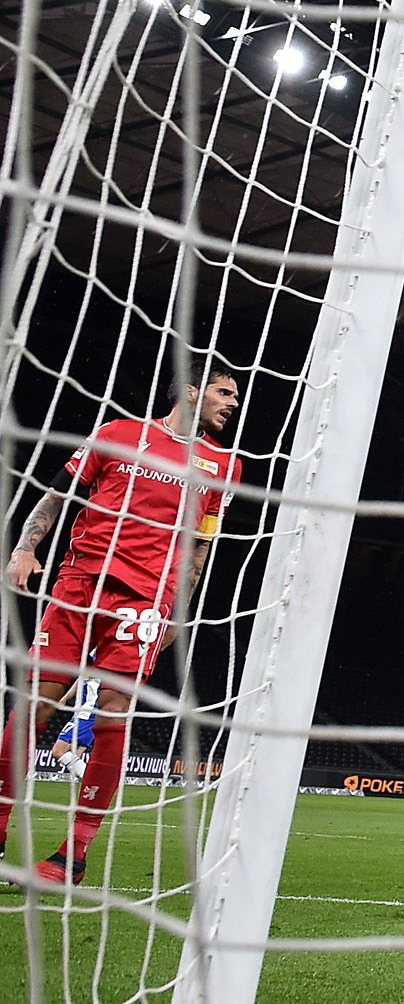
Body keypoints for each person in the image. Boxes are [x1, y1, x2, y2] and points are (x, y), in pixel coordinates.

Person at [3, 365, 240, 885]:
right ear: (193, 390)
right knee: (35, 703)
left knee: (113, 712)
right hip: (80, 582)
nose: (232, 403)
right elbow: (57, 494)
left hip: (147, 600)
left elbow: (201, 543)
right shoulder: (117, 433)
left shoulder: (224, 464)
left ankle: (74, 852)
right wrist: (25, 548)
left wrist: (180, 607)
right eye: (224, 392)